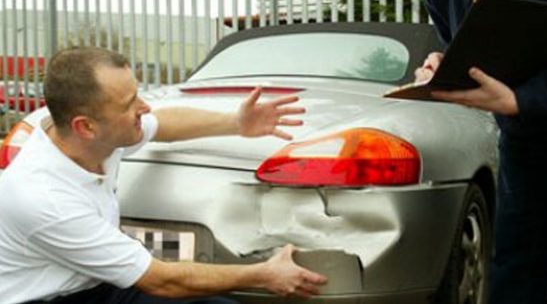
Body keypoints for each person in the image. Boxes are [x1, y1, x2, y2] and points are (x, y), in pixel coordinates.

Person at [362, 0, 547, 303]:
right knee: (516, 264)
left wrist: (523, 99)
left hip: (538, 111)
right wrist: (445, 62)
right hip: (526, 134)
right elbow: (477, 41)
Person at [0, 47, 327, 304]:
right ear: (85, 126)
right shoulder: (44, 198)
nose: (145, 107)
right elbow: (162, 280)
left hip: (99, 284)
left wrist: (237, 124)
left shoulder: (89, 135)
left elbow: (164, 124)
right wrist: (265, 274)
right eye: (130, 103)